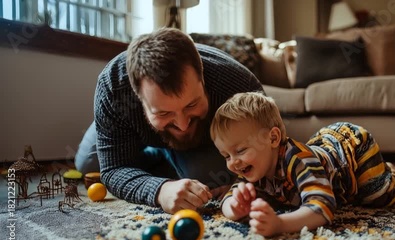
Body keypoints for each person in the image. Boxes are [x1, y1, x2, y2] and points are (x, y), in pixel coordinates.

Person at [74, 27, 263, 214]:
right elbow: (114, 168)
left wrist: (239, 183)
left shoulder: (241, 86)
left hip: (203, 142)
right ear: (139, 98)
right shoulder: (113, 88)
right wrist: (160, 190)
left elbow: (268, 148)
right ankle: (157, 155)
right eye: (163, 113)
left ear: (203, 80)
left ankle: (163, 154)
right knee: (89, 165)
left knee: (207, 181)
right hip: (128, 128)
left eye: (191, 105)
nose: (182, 125)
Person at [210, 92, 395, 237]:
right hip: (323, 147)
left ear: (272, 138)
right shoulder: (251, 167)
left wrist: (279, 224)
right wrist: (234, 207)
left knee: (377, 195)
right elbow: (228, 197)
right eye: (226, 156)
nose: (233, 163)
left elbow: (322, 207)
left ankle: (392, 175)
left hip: (352, 150)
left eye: (241, 150)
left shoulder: (300, 161)